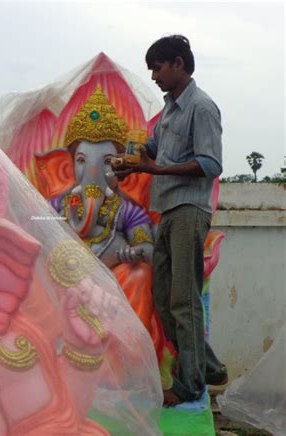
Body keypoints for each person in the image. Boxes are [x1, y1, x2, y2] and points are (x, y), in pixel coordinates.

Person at [112, 34, 228, 406]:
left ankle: (190, 384)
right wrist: (130, 161)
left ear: (179, 63)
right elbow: (151, 148)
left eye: (157, 67)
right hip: (168, 213)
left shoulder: (202, 108)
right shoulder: (170, 112)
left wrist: (156, 170)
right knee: (163, 297)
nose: (154, 76)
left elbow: (210, 165)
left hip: (189, 211)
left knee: (183, 299)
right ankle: (207, 367)